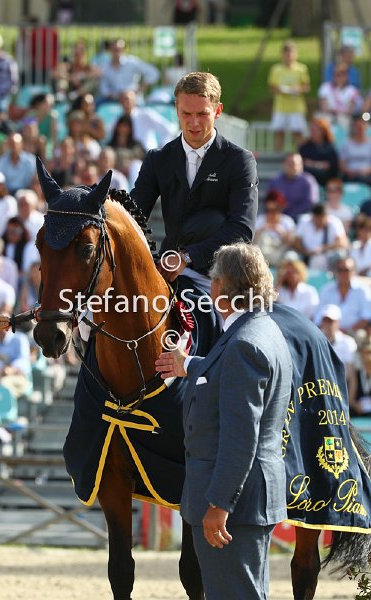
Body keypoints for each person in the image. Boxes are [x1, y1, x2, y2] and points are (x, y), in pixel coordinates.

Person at [155, 242, 292, 600]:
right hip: (249, 498)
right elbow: (229, 375)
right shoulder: (261, 329)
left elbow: (240, 437)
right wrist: (189, 364)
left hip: (232, 504)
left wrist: (220, 504)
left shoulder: (242, 343)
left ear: (219, 287)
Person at [131, 71, 258, 292]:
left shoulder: (240, 161)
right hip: (167, 273)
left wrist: (187, 257)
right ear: (176, 109)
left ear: (218, 110)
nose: (194, 123)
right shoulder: (158, 159)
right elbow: (132, 215)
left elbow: (242, 229)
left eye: (202, 114)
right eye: (186, 114)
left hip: (220, 279)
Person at [268, 40, 310, 151]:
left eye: (291, 53)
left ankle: (302, 155)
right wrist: (281, 89)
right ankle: (277, 156)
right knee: (279, 133)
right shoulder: (276, 69)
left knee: (298, 133)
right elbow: (272, 87)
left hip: (296, 107)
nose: (289, 56)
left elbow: (306, 87)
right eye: (286, 54)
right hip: (280, 107)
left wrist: (296, 89)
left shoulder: (301, 69)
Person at [316, 256, 371, 333]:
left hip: (354, 332)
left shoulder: (363, 290)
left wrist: (347, 331)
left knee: (360, 335)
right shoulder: (326, 290)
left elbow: (367, 316)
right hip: (329, 332)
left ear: (353, 271)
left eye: (346, 270)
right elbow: (319, 316)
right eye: (340, 270)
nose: (343, 273)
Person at [97, 38, 160, 104]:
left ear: (124, 50)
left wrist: (141, 87)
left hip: (133, 99)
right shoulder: (105, 66)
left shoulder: (132, 62)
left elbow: (153, 73)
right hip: (113, 100)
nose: (116, 52)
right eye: (114, 49)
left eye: (119, 50)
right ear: (110, 50)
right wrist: (111, 95)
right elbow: (104, 87)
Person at [293, 203, 348, 270]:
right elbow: (296, 242)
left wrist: (323, 248)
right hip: (305, 255)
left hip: (328, 256)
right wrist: (306, 251)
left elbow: (343, 243)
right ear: (313, 217)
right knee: (291, 256)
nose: (319, 222)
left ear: (326, 216)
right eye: (317, 219)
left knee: (321, 258)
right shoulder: (304, 221)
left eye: (321, 219)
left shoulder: (334, 222)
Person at [267, 152, 319, 221]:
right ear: (284, 164)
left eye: (295, 164)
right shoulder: (275, 181)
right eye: (289, 164)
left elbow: (310, 203)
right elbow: (269, 201)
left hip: (300, 219)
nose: (292, 166)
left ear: (301, 165)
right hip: (279, 219)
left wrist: (290, 216)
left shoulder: (308, 181)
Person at [298, 117, 339, 187]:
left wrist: (314, 164)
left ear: (323, 131)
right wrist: (321, 165)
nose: (313, 132)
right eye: (312, 130)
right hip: (307, 177)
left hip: (325, 178)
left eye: (316, 130)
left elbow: (331, 165)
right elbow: (303, 163)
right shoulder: (305, 147)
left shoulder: (329, 147)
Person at [339, 113, 371, 185]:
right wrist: (348, 171)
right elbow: (342, 164)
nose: (360, 129)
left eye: (361, 126)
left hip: (367, 176)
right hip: (350, 176)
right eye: (357, 126)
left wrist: (365, 171)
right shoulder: (346, 144)